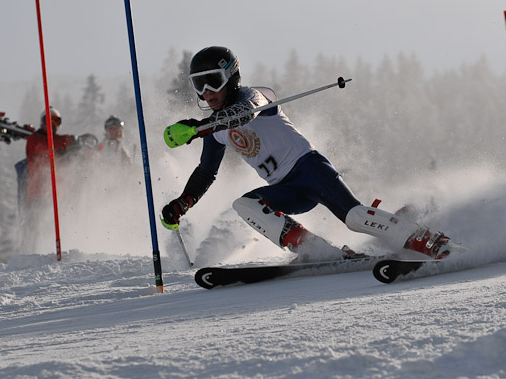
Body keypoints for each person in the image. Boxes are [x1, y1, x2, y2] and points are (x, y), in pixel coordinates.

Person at [161, 46, 461, 261]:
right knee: (245, 205)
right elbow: (206, 172)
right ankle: (319, 252)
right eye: (199, 85)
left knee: (354, 217)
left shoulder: (254, 96)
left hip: (309, 169)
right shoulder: (214, 127)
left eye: (213, 81)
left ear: (231, 77)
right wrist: (181, 203)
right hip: (286, 188)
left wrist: (197, 128)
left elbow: (243, 114)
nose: (207, 92)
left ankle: (428, 239)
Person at [25, 107, 75, 205]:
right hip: (38, 197)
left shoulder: (60, 145)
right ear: (42, 123)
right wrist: (70, 140)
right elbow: (48, 144)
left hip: (58, 197)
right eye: (47, 120)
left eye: (56, 121)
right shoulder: (34, 139)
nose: (52, 124)